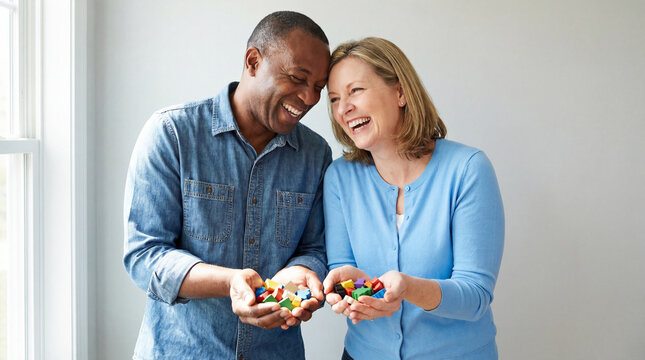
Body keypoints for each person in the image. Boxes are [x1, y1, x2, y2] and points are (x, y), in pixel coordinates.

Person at [123, 11, 332, 360]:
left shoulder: (316, 154)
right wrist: (229, 281)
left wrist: (302, 271)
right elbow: (144, 255)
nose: (309, 98)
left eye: (318, 88)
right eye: (298, 78)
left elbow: (316, 247)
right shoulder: (172, 134)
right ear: (253, 61)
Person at [322, 37, 505, 359]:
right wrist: (346, 288)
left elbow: (475, 296)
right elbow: (343, 266)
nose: (343, 108)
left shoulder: (467, 169)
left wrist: (407, 287)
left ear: (401, 92)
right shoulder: (339, 178)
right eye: (335, 98)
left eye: (355, 91)